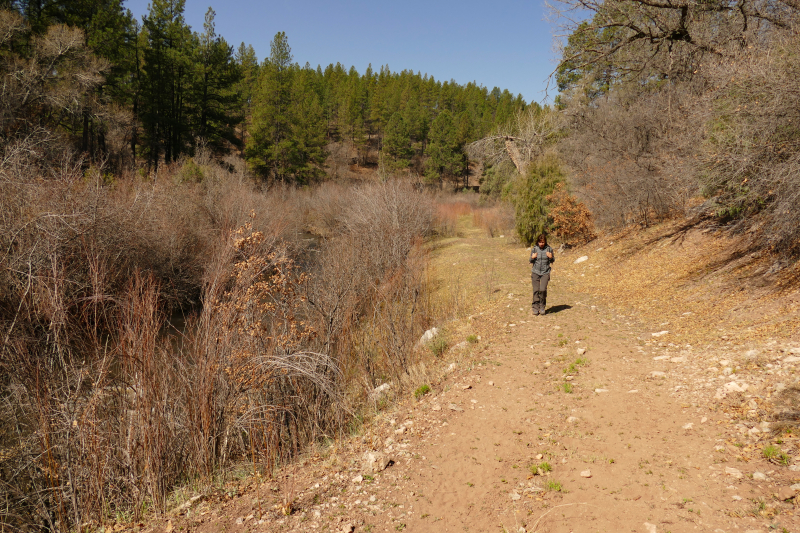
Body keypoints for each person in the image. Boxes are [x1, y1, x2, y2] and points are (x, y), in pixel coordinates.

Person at [529, 234, 554, 315]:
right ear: (538, 242)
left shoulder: (549, 249)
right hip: (535, 272)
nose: (541, 243)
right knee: (536, 290)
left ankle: (542, 306)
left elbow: (552, 260)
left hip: (545, 272)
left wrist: (550, 257)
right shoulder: (535, 249)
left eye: (543, 242)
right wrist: (532, 257)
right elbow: (530, 260)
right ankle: (535, 307)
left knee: (542, 289)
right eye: (540, 242)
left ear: (545, 242)